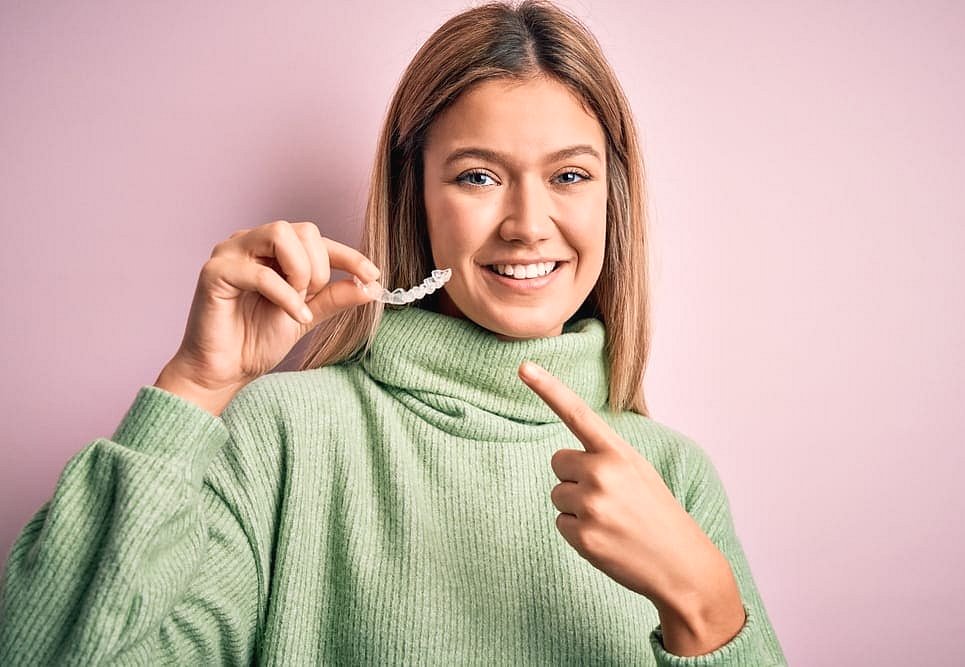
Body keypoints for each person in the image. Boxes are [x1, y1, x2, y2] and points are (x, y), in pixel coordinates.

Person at [0, 1, 787, 664]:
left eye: (569, 175)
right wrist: (197, 385)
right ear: (417, 198)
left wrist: (707, 609)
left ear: (611, 197)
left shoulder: (673, 475)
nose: (527, 224)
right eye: (478, 175)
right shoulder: (285, 435)